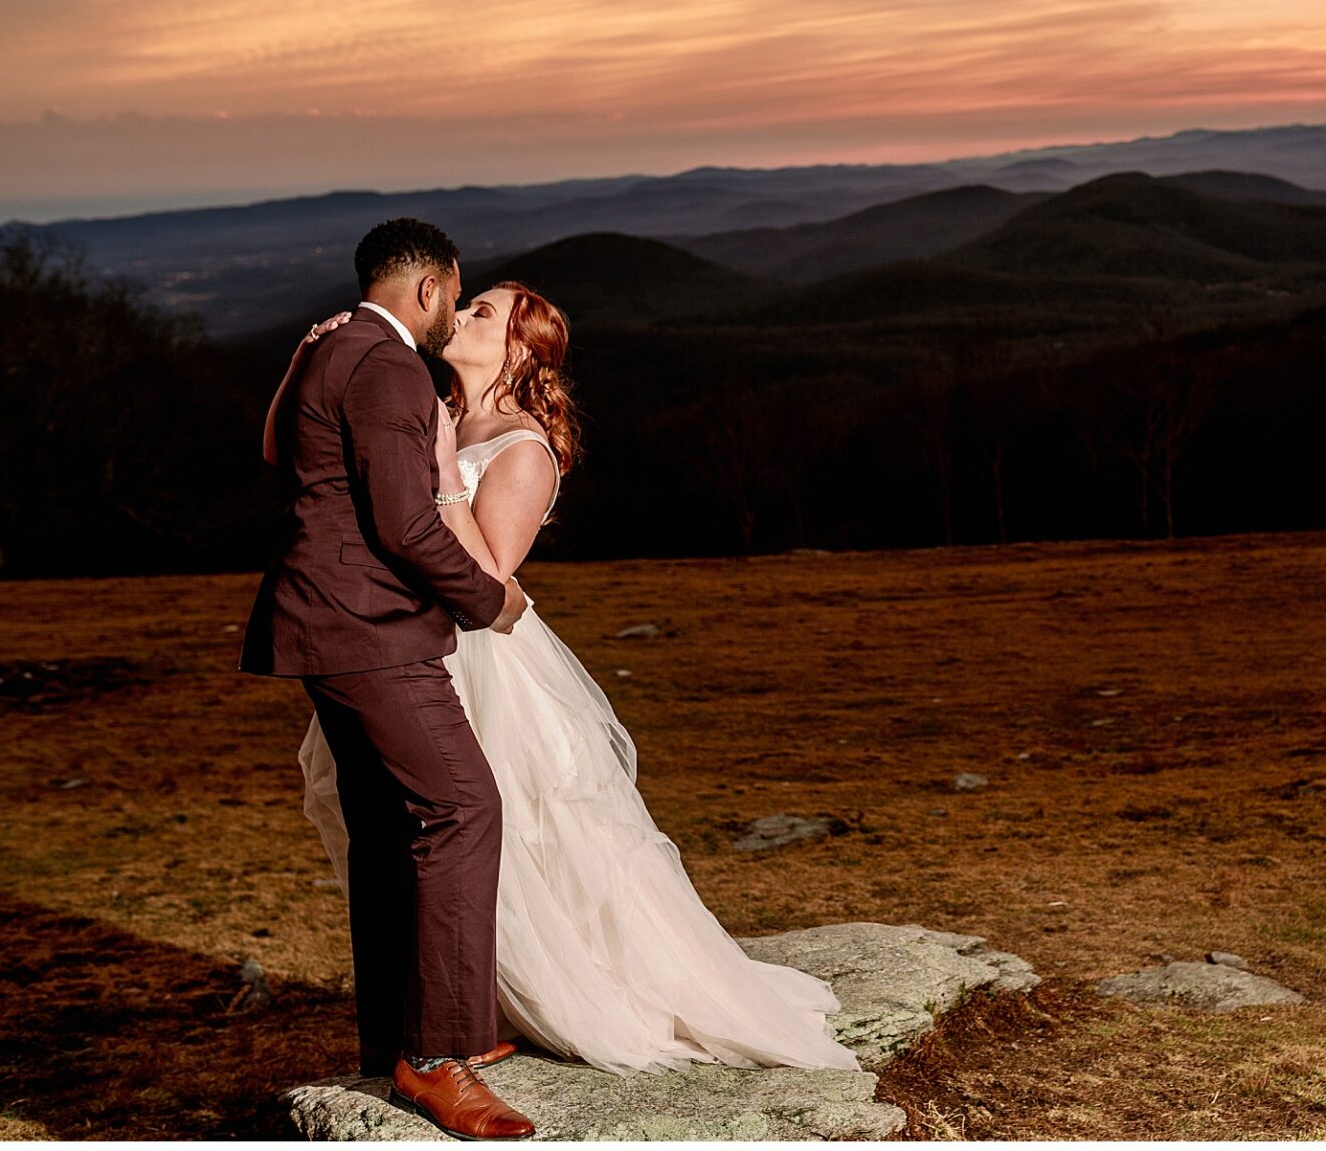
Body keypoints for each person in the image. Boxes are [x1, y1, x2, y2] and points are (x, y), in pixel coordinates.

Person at [292, 276, 861, 1077]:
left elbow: (487, 581)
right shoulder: (436, 411)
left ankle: (513, 1004)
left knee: (510, 831)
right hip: (398, 646)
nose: (459, 317)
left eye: (481, 312)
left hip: (480, 664)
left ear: (521, 350)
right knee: (414, 831)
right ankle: (450, 1007)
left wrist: (446, 471)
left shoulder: (522, 450)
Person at [241, 219, 535, 1141]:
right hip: (367, 630)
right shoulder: (392, 364)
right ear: (431, 287)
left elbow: (280, 456)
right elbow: (408, 527)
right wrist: (488, 601)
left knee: (384, 828)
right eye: (457, 293)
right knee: (461, 808)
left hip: (323, 627)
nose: (454, 307)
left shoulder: (335, 347)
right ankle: (440, 1057)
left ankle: (392, 1041)